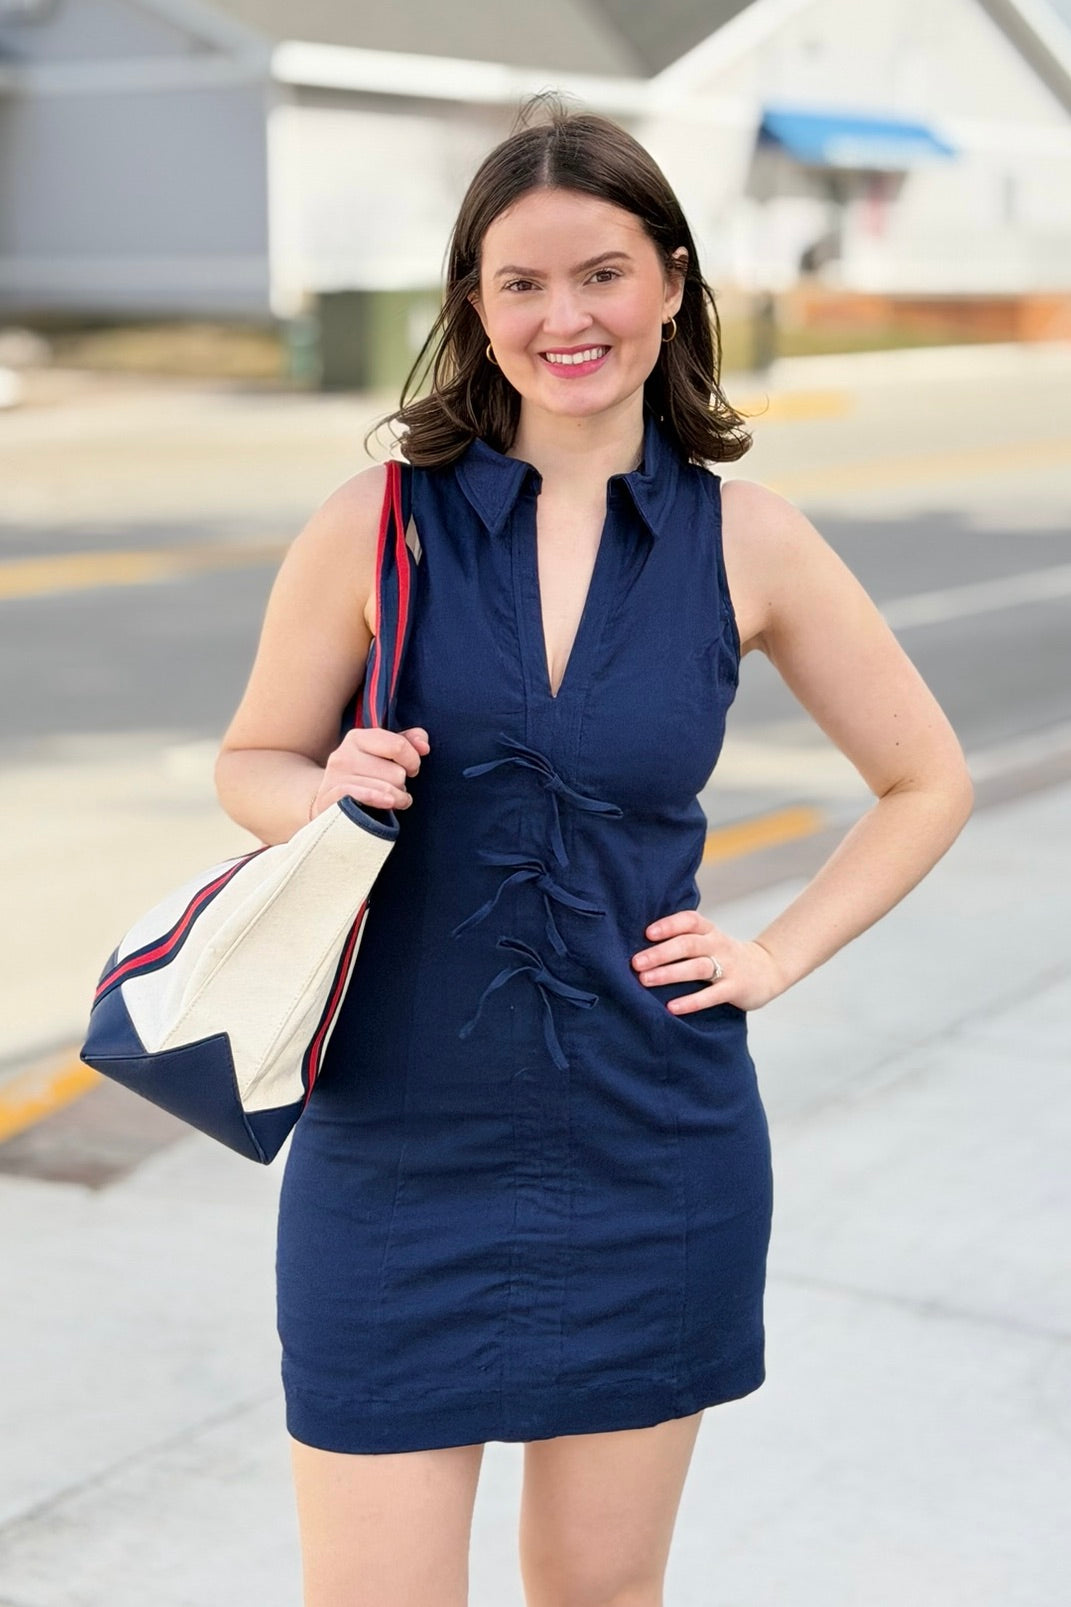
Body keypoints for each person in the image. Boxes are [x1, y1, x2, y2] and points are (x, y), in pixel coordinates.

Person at [214, 94, 973, 1607]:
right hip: (393, 1150)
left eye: (602, 273)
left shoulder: (748, 541)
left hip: (651, 1144)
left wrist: (775, 953)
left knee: (601, 1596)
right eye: (521, 283)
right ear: (474, 306)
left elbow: (925, 780)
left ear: (673, 281)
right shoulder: (376, 526)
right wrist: (323, 792)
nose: (566, 317)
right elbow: (251, 763)